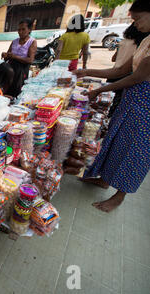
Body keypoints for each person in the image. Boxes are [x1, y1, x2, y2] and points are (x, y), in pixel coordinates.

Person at [73, 0, 150, 213]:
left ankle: (119, 196)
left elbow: (138, 77)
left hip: (146, 107)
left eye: (138, 19)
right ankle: (104, 179)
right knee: (115, 141)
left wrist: (99, 90)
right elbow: (120, 70)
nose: (135, 25)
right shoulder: (146, 41)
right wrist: (87, 72)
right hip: (131, 100)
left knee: (135, 151)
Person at [107, 22, 150, 117]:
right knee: (115, 106)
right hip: (124, 79)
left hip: (119, 79)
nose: (136, 24)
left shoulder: (124, 43)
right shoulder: (142, 43)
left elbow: (114, 60)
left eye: (138, 19)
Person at [1, 18, 37, 97]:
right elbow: (8, 55)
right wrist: (5, 55)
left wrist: (15, 57)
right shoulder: (14, 41)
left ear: (29, 29)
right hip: (10, 70)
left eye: (23, 29)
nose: (20, 32)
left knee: (17, 92)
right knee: (7, 90)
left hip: (21, 71)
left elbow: (30, 60)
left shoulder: (32, 42)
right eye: (19, 30)